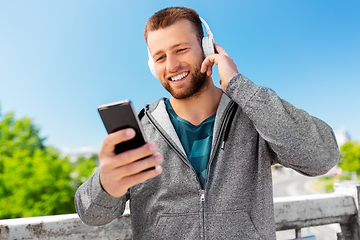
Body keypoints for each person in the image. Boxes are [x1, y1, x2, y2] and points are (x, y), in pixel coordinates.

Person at [75, 6, 339, 239]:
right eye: (160, 57)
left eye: (181, 49)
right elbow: (91, 215)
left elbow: (322, 156)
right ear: (152, 67)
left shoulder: (253, 115)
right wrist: (106, 185)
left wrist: (238, 85)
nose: (172, 65)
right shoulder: (142, 129)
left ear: (208, 48)